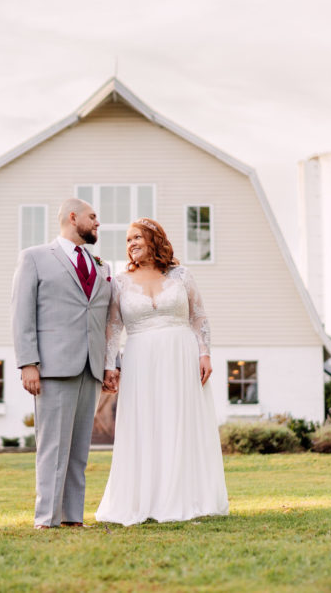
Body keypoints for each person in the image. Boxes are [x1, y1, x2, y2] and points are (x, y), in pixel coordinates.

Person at [95, 217, 229, 526]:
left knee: (180, 420)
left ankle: (185, 495)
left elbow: (199, 316)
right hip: (140, 356)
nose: (131, 243)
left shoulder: (181, 275)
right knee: (145, 422)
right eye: (128, 239)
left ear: (155, 240)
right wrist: (108, 364)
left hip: (181, 353)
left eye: (137, 237)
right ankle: (145, 498)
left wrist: (204, 352)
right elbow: (114, 327)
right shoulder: (120, 281)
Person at [11, 198, 119, 529]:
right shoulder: (35, 258)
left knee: (78, 450)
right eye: (93, 217)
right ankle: (46, 518)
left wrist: (106, 364)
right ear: (73, 218)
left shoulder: (102, 266)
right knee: (52, 447)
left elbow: (103, 318)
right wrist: (28, 362)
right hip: (53, 368)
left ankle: (73, 517)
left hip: (90, 368)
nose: (98, 223)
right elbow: (21, 313)